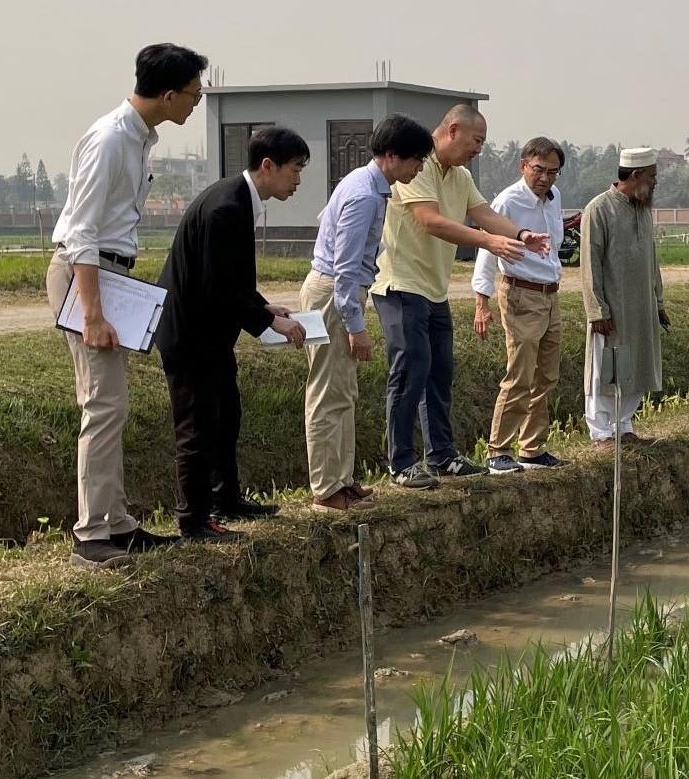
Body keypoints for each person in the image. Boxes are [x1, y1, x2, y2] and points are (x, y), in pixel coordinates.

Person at [48, 42, 204, 568]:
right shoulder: (111, 140)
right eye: (192, 94)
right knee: (101, 403)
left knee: (113, 403)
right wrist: (92, 313)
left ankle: (117, 522)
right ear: (166, 94)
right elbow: (81, 234)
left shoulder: (137, 139)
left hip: (109, 276)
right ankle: (91, 534)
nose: (196, 103)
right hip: (88, 275)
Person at [370, 105, 548, 489]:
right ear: (453, 130)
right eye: (476, 141)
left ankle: (442, 455)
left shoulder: (461, 175)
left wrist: (520, 236)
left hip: (433, 289)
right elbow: (429, 220)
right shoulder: (418, 166)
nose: (479, 149)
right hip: (401, 285)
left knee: (440, 371)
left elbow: (484, 214)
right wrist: (489, 241)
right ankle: (400, 462)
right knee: (410, 369)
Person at [154, 126, 311, 540]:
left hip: (209, 334)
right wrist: (267, 322)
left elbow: (230, 277)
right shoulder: (227, 207)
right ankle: (194, 519)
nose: (298, 180)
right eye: (295, 169)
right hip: (190, 335)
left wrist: (262, 306)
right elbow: (216, 284)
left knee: (227, 415)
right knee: (198, 425)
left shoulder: (238, 199)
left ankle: (227, 500)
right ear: (267, 166)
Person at [300, 115, 432, 510]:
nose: (419, 168)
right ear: (392, 156)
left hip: (337, 294)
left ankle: (342, 480)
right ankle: (326, 489)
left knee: (343, 392)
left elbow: (327, 223)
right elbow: (343, 268)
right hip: (333, 296)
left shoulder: (366, 183)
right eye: (415, 161)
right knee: (328, 394)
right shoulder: (364, 194)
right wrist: (356, 328)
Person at [472, 137, 571, 475]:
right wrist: (481, 301)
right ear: (523, 166)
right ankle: (498, 449)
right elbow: (488, 248)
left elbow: (553, 247)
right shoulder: (509, 201)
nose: (544, 178)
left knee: (547, 373)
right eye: (538, 170)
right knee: (520, 373)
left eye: (552, 172)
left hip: (549, 293)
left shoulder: (553, 199)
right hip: (520, 292)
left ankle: (532, 447)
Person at [579, 148, 669, 445]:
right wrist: (597, 310)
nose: (656, 182)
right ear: (636, 175)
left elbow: (651, 260)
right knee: (605, 369)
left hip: (641, 306)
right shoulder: (599, 209)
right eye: (653, 176)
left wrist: (658, 301)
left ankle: (624, 426)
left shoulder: (642, 210)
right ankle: (601, 432)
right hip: (612, 309)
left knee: (637, 364)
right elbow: (589, 264)